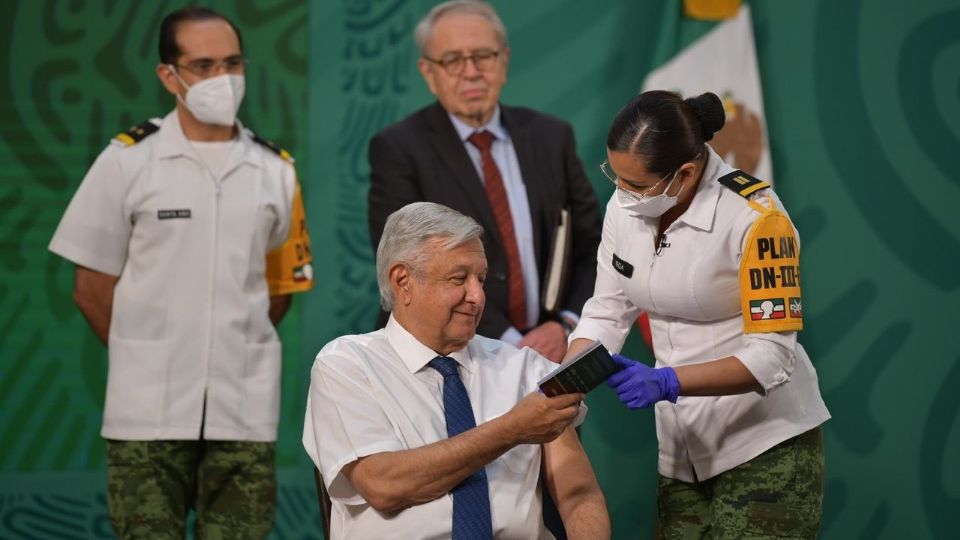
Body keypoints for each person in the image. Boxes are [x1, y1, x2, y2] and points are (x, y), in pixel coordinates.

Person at [48, 7, 313, 538]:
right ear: (169, 75)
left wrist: (226, 350)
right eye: (204, 64)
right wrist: (143, 353)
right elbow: (91, 289)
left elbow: (279, 290)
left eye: (233, 63)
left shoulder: (276, 170)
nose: (223, 79)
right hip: (144, 418)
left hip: (244, 415)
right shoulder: (127, 162)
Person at [565, 90, 831, 538]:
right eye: (615, 177)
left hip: (764, 445)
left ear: (685, 174)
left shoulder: (758, 218)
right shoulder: (626, 204)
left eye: (636, 185)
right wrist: (568, 379)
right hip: (681, 450)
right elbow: (608, 309)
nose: (622, 195)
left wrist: (670, 381)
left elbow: (772, 357)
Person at [303, 202, 609, 539]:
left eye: (480, 279)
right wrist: (513, 428)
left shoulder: (523, 367)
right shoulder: (347, 365)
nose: (477, 296)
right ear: (403, 280)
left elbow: (579, 494)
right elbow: (382, 484)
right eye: (458, 279)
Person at [368, 0, 602, 364]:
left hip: (550, 359)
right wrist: (511, 343)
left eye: (483, 56)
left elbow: (593, 247)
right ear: (428, 73)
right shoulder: (399, 149)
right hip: (441, 357)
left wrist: (564, 325)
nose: (471, 72)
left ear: (503, 61)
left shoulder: (551, 137)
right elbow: (405, 264)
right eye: (453, 61)